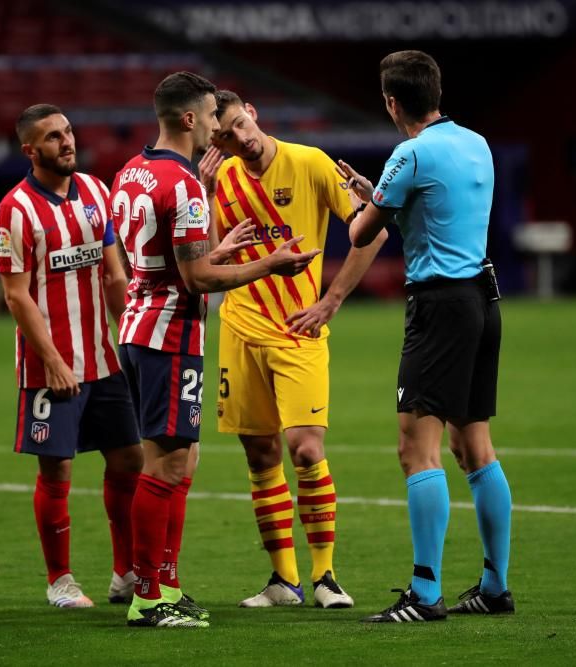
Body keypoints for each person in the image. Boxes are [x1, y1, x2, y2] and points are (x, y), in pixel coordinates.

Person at [111, 71, 320, 628]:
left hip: (136, 327)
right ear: (188, 119)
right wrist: (270, 263)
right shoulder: (183, 182)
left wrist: (218, 248)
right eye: (209, 118)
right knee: (167, 463)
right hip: (169, 336)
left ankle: (166, 583)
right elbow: (199, 279)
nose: (215, 129)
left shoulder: (132, 170)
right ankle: (149, 595)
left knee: (181, 461)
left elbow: (168, 257)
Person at [340, 51, 514, 622]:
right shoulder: (477, 142)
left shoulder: (408, 154)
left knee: (417, 449)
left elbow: (363, 231)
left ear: (392, 102)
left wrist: (360, 200)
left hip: (438, 307)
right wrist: (384, 192)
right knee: (474, 445)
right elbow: (440, 208)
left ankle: (425, 592)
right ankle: (494, 586)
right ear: (435, 91)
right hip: (483, 300)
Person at [205, 90, 387, 609]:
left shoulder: (308, 162)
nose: (241, 137)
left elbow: (368, 233)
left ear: (254, 113)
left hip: (298, 330)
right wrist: (201, 188)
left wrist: (331, 299)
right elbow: (206, 260)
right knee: (260, 455)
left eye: (242, 123)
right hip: (239, 329)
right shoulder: (219, 181)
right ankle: (283, 581)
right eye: (227, 134)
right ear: (214, 141)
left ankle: (326, 575)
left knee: (306, 449)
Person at [0, 104, 143, 608]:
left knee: (129, 458)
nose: (67, 142)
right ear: (30, 150)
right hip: (48, 366)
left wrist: (132, 334)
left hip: (105, 358)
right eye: (53, 137)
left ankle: (125, 573)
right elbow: (16, 295)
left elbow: (114, 272)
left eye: (69, 131)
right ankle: (60, 580)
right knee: (55, 471)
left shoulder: (97, 193)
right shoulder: (14, 211)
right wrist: (53, 359)